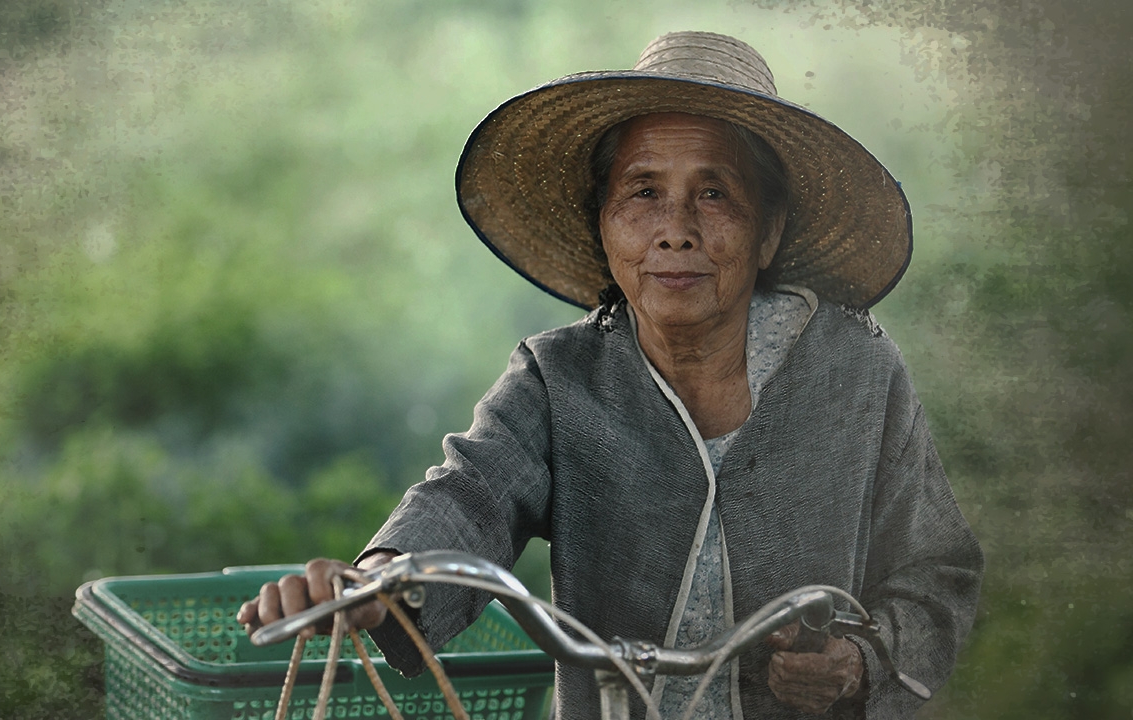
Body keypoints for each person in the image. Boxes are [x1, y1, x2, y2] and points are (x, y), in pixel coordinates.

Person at [237, 31, 982, 719]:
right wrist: (378, 582)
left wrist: (856, 659)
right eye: (643, 191)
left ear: (769, 230)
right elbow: (470, 495)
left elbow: (937, 573)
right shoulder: (557, 379)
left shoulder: (856, 374)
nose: (676, 227)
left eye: (715, 193)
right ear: (603, 223)